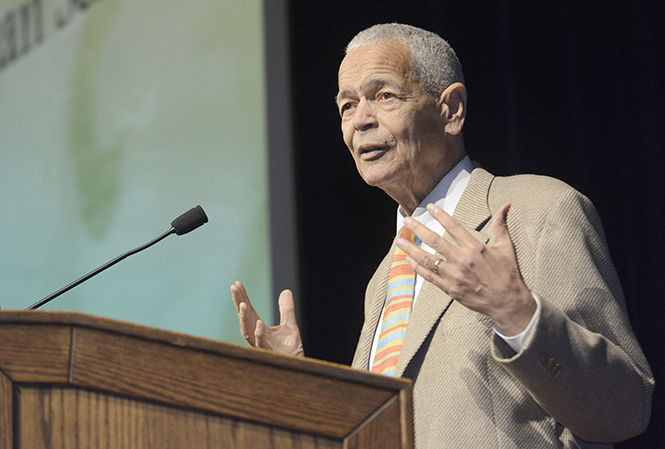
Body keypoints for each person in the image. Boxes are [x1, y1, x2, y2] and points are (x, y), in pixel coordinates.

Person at [230, 23, 654, 448]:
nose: (360, 121)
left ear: (451, 110)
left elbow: (623, 409)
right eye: (347, 106)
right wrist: (300, 386)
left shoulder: (538, 211)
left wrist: (517, 314)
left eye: (384, 96)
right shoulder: (384, 280)